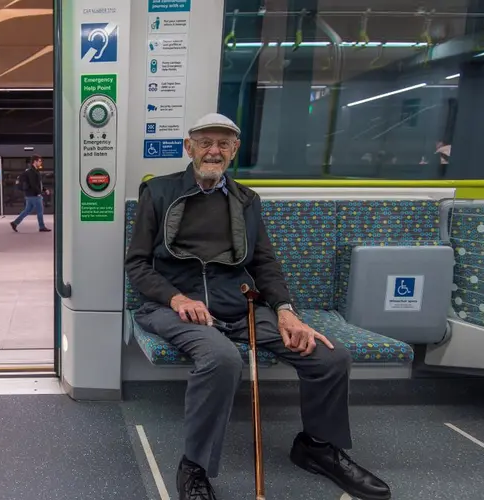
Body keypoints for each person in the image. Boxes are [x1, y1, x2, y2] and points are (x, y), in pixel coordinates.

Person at [125, 113, 391, 500]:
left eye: (223, 144)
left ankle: (317, 447)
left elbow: (264, 263)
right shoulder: (160, 193)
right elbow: (136, 264)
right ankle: (194, 467)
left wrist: (285, 310)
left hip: (242, 306)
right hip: (173, 306)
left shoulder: (246, 200)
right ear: (189, 147)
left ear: (233, 150)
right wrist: (177, 298)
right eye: (205, 142)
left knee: (329, 358)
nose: (213, 150)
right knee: (222, 359)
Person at [10, 155, 51, 233]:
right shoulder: (31, 172)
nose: (40, 162)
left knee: (27, 210)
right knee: (40, 211)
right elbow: (33, 184)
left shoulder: (34, 171)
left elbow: (38, 183)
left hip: (29, 195)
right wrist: (39, 193)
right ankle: (42, 227)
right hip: (34, 195)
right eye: (39, 161)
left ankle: (15, 223)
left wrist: (44, 189)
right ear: (34, 161)